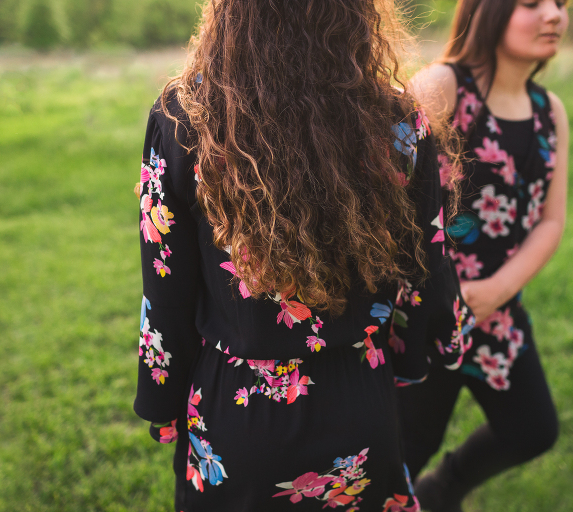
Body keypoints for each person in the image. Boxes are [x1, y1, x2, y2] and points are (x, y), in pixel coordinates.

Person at [132, 1, 474, 510]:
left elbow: (166, 291)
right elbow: (425, 271)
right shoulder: (399, 123)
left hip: (234, 417)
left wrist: (161, 399)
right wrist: (413, 359)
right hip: (358, 400)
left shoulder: (187, 118)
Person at [396, 0, 570, 510]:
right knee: (405, 449)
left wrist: (497, 290)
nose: (554, 15)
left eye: (561, 3)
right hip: (426, 314)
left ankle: (441, 491)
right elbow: (383, 202)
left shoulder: (550, 112)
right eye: (532, 3)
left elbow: (551, 221)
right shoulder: (442, 89)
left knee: (533, 429)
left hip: (496, 308)